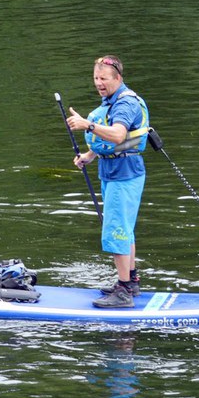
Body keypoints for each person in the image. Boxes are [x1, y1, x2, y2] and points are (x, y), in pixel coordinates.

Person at [66, 55, 150, 309]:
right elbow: (119, 142)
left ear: (118, 78)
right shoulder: (111, 101)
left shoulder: (125, 104)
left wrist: (87, 125)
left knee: (116, 231)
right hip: (113, 169)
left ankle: (123, 292)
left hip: (124, 174)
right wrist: (90, 155)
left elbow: (118, 134)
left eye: (104, 79)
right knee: (124, 228)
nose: (99, 83)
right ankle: (131, 282)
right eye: (96, 78)